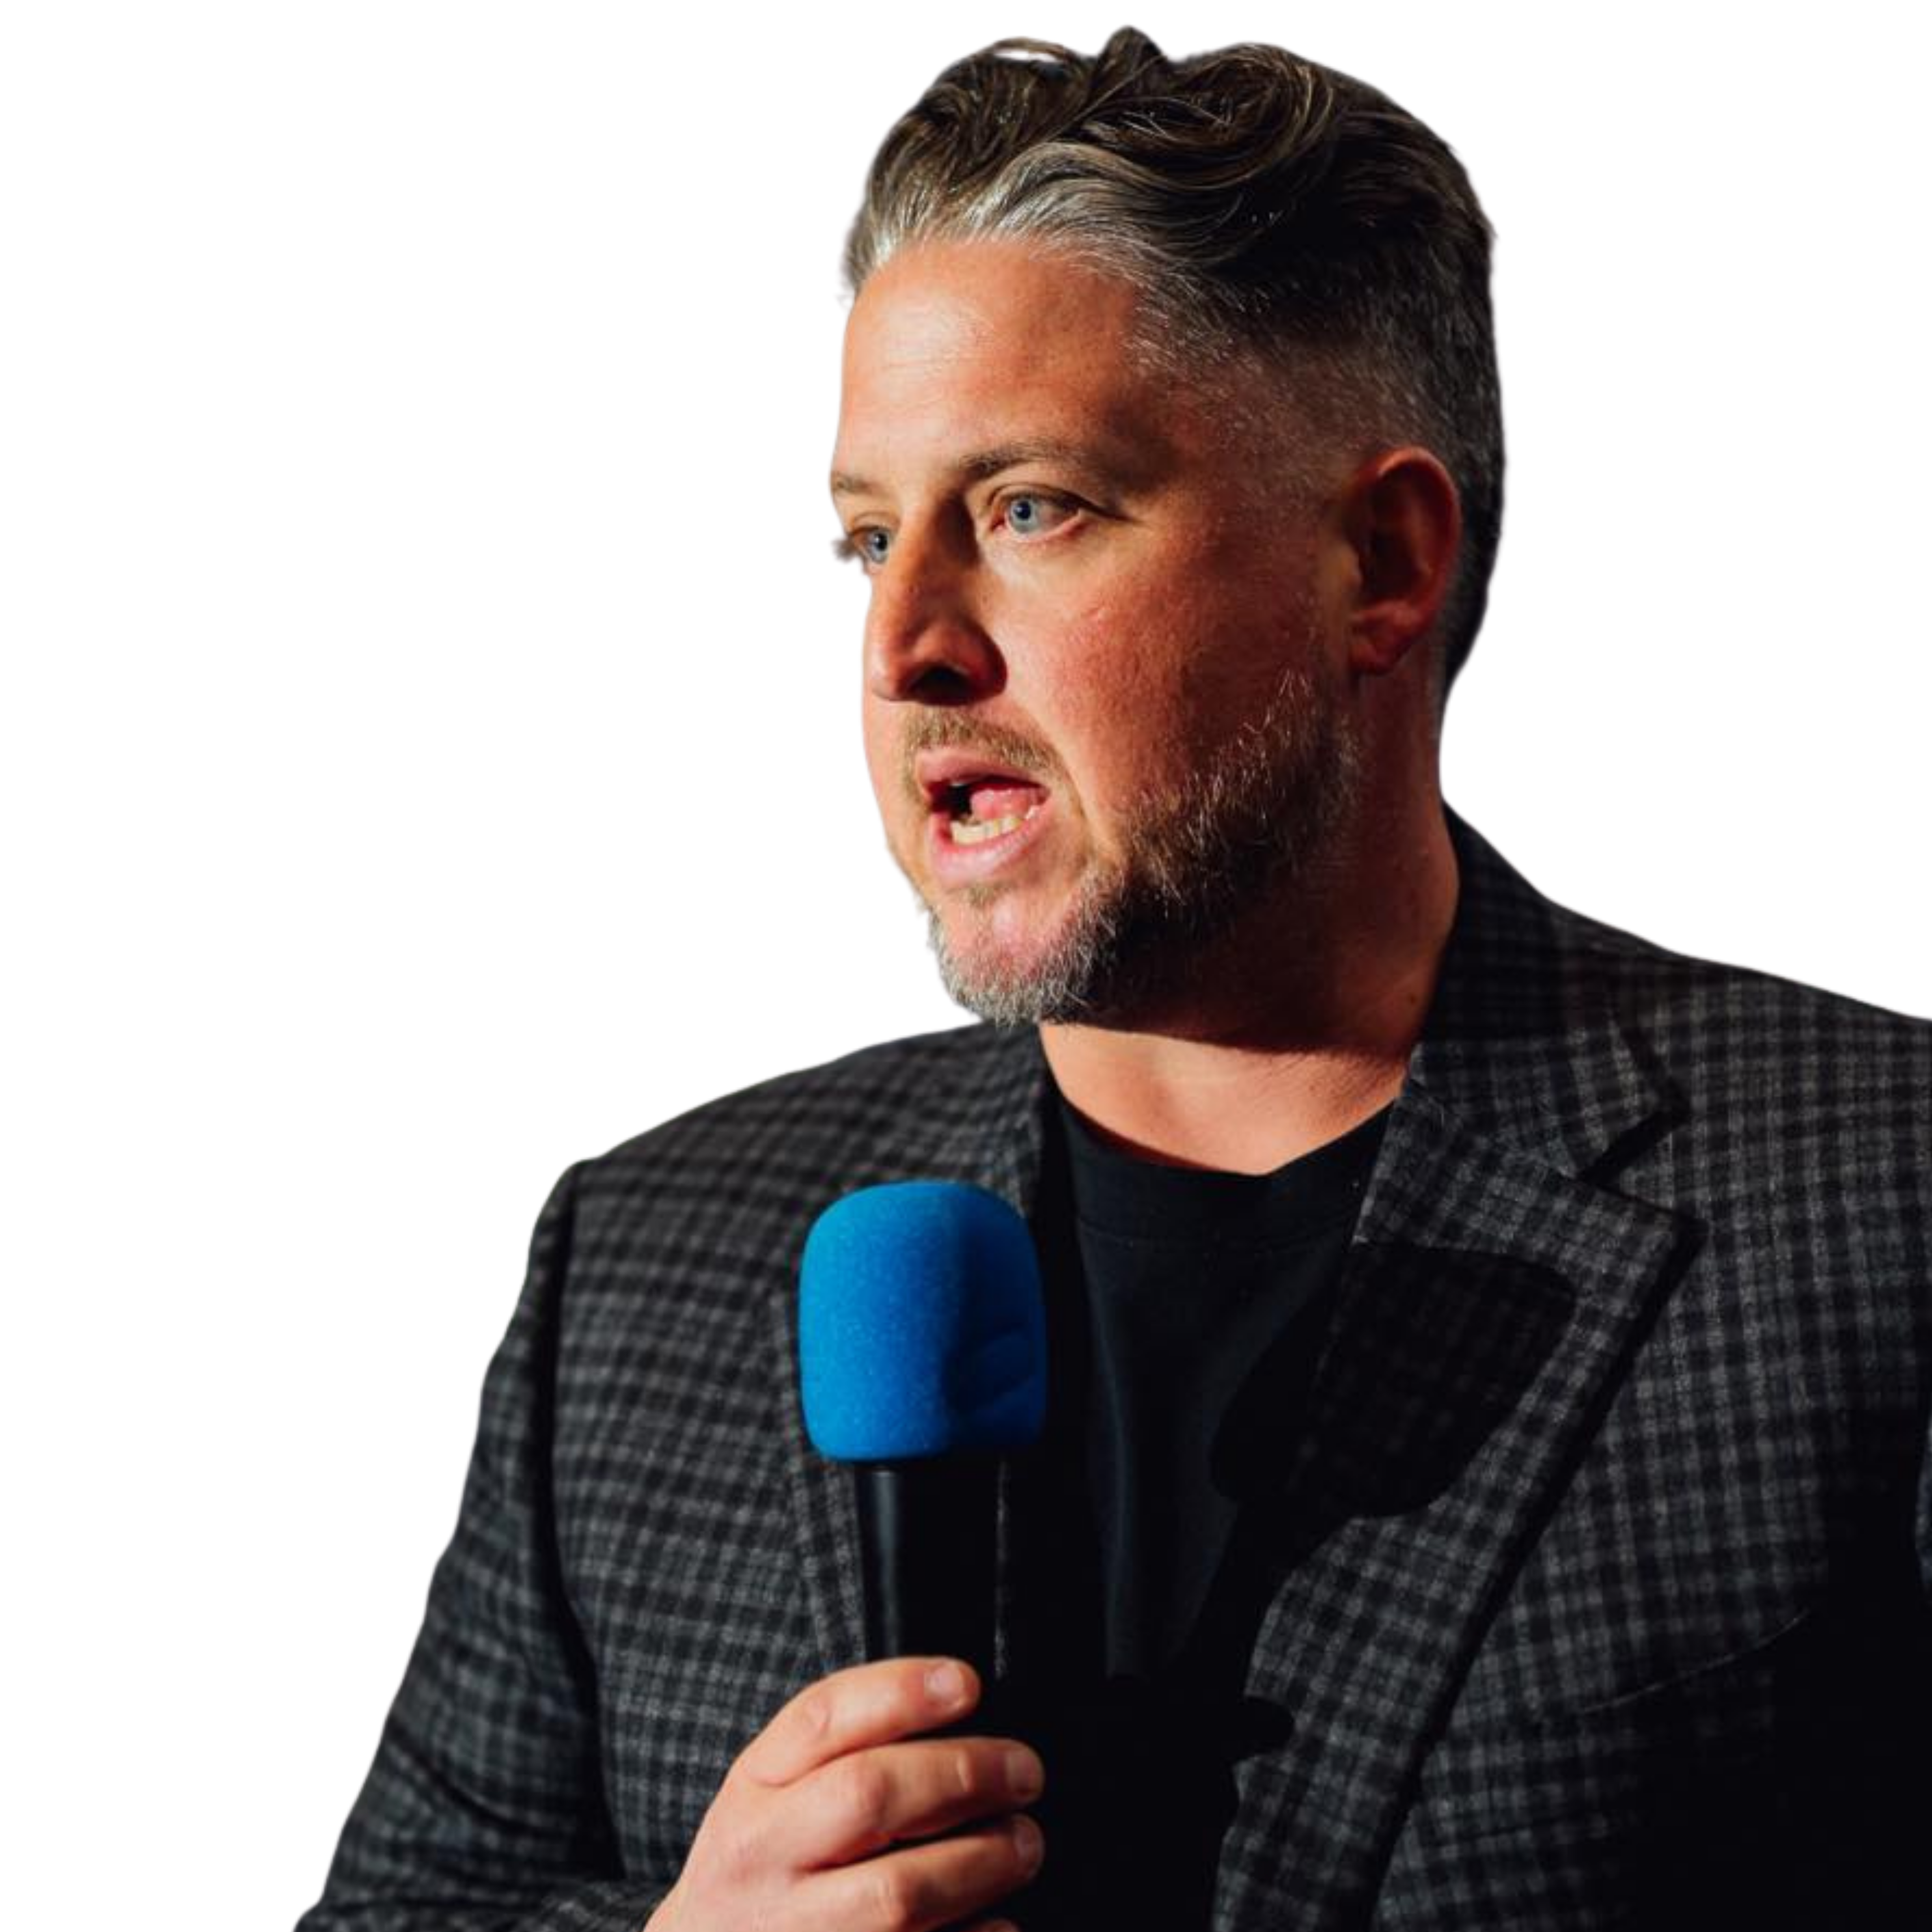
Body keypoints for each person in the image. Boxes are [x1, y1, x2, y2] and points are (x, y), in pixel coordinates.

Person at [299, 28, 1932, 1931]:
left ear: (1377, 561)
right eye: (866, 536)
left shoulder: (1880, 1207)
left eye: (1029, 508)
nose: (904, 642)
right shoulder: (645, 1256)